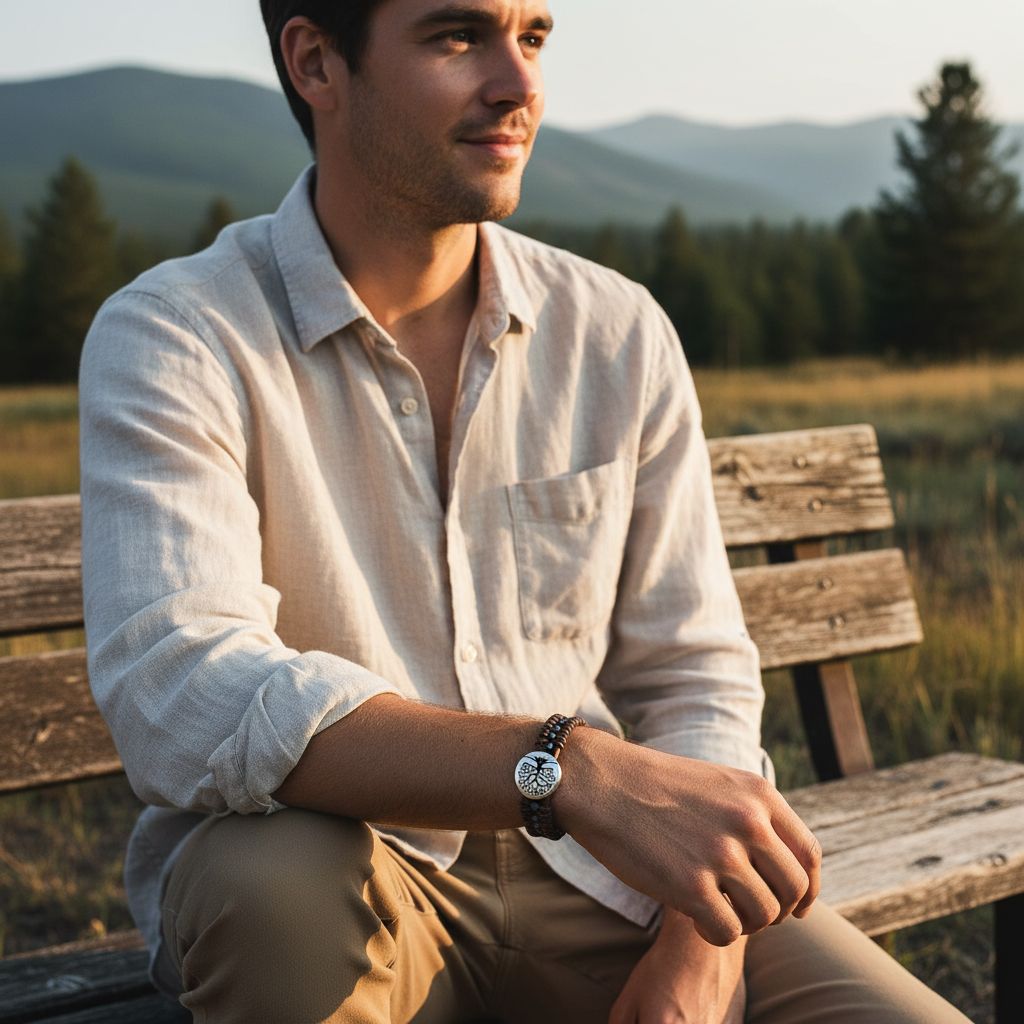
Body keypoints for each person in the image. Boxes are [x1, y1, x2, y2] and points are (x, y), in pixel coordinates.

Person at [77, 2, 973, 1021]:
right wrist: (563, 765)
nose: (519, 84)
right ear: (318, 62)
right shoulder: (179, 336)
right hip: (359, 879)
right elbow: (180, 684)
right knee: (264, 874)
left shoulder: (614, 330)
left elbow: (692, 667)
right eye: (457, 36)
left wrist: (701, 940)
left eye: (534, 36)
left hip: (615, 880)